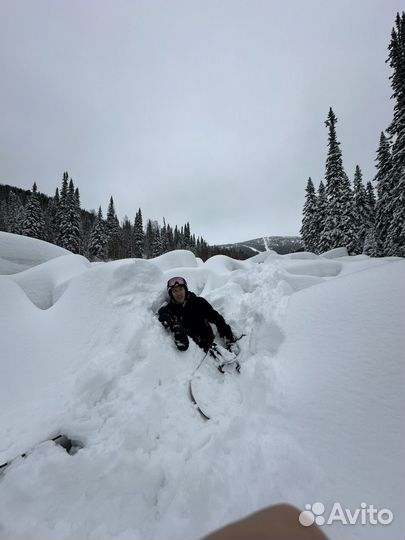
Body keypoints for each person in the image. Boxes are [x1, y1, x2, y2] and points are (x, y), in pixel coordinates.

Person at [158, 276, 239, 356]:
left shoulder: (199, 302)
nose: (179, 293)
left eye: (181, 289)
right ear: (171, 294)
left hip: (208, 338)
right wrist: (176, 328)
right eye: (175, 291)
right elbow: (163, 315)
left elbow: (217, 319)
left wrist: (229, 338)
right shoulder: (169, 310)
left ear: (185, 290)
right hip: (194, 348)